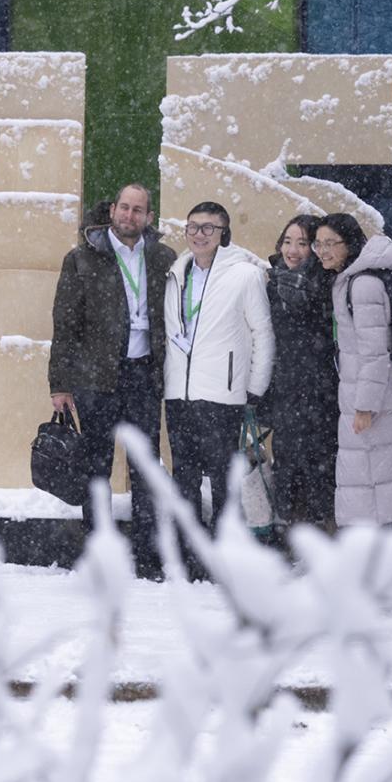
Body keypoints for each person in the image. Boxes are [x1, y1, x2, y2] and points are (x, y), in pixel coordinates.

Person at [49, 183, 177, 578]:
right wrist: (60, 382)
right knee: (96, 468)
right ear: (113, 210)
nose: (130, 216)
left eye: (139, 210)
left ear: (149, 217)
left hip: (143, 374)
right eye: (124, 207)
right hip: (95, 378)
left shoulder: (163, 259)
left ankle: (146, 556)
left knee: (145, 469)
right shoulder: (82, 259)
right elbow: (65, 324)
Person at [162, 202, 274, 553]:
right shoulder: (176, 272)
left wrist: (254, 388)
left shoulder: (244, 275)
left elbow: (263, 334)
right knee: (185, 478)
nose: (199, 234)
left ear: (224, 233)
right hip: (179, 392)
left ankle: (226, 549)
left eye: (209, 228)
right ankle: (190, 550)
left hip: (223, 396)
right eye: (193, 226)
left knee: (225, 480)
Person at [317, 213, 392, 526]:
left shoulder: (363, 285)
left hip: (374, 400)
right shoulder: (353, 278)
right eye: (318, 243)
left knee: (377, 492)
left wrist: (365, 407)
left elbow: (374, 352)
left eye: (331, 243)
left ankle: (378, 569)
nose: (323, 250)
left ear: (350, 244)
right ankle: (378, 567)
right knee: (382, 490)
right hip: (377, 394)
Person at [265, 214, 338, 529]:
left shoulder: (327, 284)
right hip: (285, 393)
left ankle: (326, 538)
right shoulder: (271, 285)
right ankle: (294, 538)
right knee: (287, 467)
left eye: (302, 243)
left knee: (321, 468)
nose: (292, 250)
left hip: (322, 395)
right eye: (287, 241)